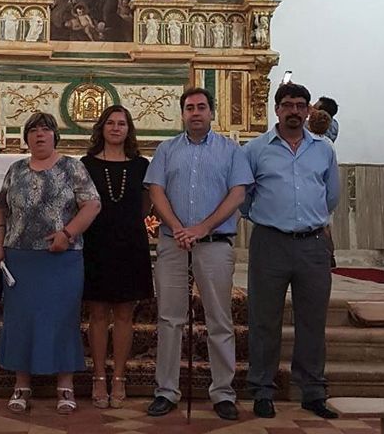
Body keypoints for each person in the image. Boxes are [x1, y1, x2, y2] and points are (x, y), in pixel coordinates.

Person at [144, 87, 253, 421]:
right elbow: (156, 190)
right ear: (182, 113)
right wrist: (178, 226)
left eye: (201, 107)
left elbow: (238, 194)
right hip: (172, 243)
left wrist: (203, 227)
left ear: (211, 112)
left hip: (215, 243)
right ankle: (166, 390)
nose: (195, 112)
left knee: (219, 319)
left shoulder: (231, 150)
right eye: (189, 107)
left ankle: (222, 392)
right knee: (169, 318)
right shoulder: (166, 150)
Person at [0, 112, 101, 415]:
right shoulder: (15, 170)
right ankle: (21, 384)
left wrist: (68, 233)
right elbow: (0, 208)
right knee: (21, 319)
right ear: (26, 138)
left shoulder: (72, 168)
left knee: (62, 319)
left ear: (55, 136)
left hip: (62, 258)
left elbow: (92, 203)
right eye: (33, 130)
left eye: (45, 130)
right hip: (21, 258)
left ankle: (65, 385)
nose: (40, 135)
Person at [242, 82, 340, 420]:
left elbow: (331, 196)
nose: (295, 111)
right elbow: (244, 199)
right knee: (264, 320)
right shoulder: (255, 150)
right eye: (288, 105)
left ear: (309, 109)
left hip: (313, 244)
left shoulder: (324, 150)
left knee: (312, 321)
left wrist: (309, 221)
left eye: (301, 105)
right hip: (270, 242)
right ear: (277, 109)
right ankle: (263, 389)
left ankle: (312, 391)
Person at [81, 106, 153, 409]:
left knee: (125, 314)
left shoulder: (141, 166)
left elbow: (147, 205)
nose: (115, 128)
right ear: (101, 128)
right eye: (110, 123)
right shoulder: (85, 164)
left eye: (121, 123)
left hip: (130, 244)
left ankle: (119, 377)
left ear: (129, 129)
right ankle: (99, 377)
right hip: (96, 243)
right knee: (97, 314)